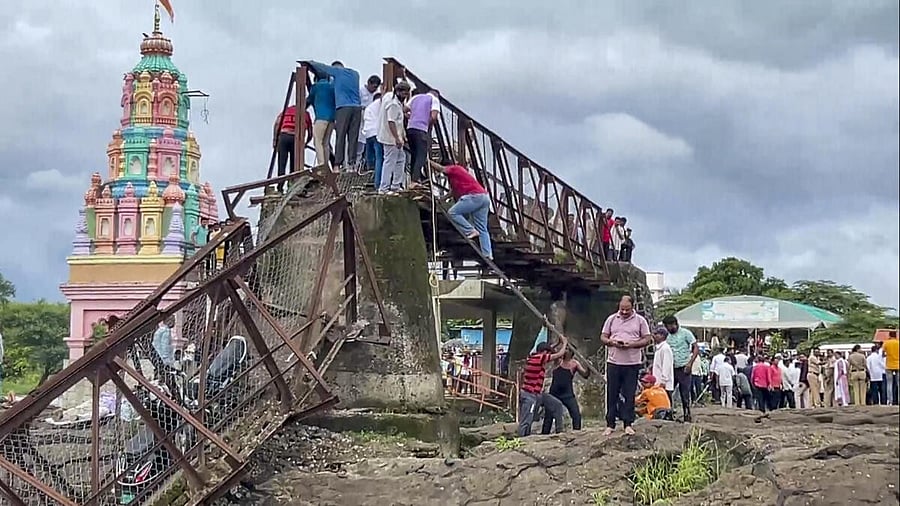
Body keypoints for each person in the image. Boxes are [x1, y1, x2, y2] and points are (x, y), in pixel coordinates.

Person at [600, 295, 652, 436]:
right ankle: (610, 424)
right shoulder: (611, 319)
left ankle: (628, 423)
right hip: (614, 362)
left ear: (632, 307)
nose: (623, 312)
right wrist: (611, 342)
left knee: (629, 394)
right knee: (612, 393)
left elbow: (647, 339)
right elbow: (603, 336)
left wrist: (632, 344)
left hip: (632, 363)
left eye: (627, 309)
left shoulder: (640, 321)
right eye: (622, 309)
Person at [428, 160, 493, 259]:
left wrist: (427, 161)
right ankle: (487, 254)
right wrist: (441, 199)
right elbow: (453, 192)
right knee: (482, 228)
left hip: (475, 196)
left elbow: (441, 168)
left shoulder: (454, 168)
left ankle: (470, 230)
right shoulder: (456, 177)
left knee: (452, 212)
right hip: (484, 197)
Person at [305, 61, 362, 172]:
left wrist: (309, 63)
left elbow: (322, 67)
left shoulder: (335, 73)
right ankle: (351, 164)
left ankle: (329, 166)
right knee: (351, 138)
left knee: (333, 138)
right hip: (354, 109)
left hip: (337, 111)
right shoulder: (355, 74)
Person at [517, 335, 568, 437]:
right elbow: (558, 354)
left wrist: (558, 343)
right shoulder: (539, 358)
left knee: (557, 405)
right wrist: (564, 343)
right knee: (527, 419)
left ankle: (560, 433)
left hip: (537, 394)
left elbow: (549, 350)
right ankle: (522, 438)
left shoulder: (535, 356)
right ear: (544, 352)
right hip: (529, 394)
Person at [376, 83, 411, 193]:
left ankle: (396, 185)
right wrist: (397, 138)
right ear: (398, 92)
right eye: (404, 94)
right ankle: (384, 188)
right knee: (389, 162)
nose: (405, 96)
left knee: (401, 159)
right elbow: (391, 122)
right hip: (390, 138)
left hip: (389, 136)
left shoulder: (389, 96)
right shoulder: (394, 104)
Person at [663, 316, 699, 422]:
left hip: (684, 367)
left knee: (685, 393)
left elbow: (695, 347)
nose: (668, 328)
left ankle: (687, 415)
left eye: (669, 326)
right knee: (668, 391)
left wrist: (690, 363)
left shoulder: (686, 333)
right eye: (666, 327)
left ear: (675, 324)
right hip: (671, 368)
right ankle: (669, 413)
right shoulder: (666, 336)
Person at [272, 104, 312, 191]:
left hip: (283, 136)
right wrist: (305, 143)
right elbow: (310, 133)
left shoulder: (286, 110)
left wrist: (275, 140)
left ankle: (280, 187)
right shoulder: (305, 113)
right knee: (294, 163)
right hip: (296, 138)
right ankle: (291, 185)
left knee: (282, 163)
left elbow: (277, 124)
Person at [406, 88, 440, 187]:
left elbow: (404, 109)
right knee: (421, 155)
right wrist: (427, 124)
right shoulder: (434, 99)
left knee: (414, 155)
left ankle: (412, 179)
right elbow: (434, 116)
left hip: (410, 128)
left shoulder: (416, 97)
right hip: (421, 130)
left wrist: (411, 118)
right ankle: (415, 180)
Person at [548, 349, 588, 431]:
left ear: (571, 352)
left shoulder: (574, 364)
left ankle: (576, 433)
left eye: (567, 349)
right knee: (549, 416)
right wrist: (562, 343)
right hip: (554, 393)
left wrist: (588, 368)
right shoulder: (558, 360)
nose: (565, 351)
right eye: (565, 349)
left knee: (576, 415)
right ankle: (545, 434)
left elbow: (585, 375)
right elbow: (551, 350)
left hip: (567, 394)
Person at [306, 73, 336, 168]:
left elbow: (308, 100)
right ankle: (326, 164)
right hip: (332, 119)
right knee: (326, 143)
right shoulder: (332, 87)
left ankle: (321, 165)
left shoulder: (316, 87)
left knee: (317, 142)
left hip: (321, 118)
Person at [361, 91, 384, 187]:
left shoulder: (369, 107)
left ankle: (370, 177)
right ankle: (377, 183)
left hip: (368, 134)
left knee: (370, 158)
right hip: (377, 133)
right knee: (380, 158)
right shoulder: (381, 104)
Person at [650, 327, 674, 404]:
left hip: (663, 383)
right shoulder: (659, 348)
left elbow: (666, 365)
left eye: (656, 334)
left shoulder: (665, 348)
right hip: (658, 381)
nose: (654, 336)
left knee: (666, 403)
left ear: (662, 336)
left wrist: (663, 381)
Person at [883, 332, 899, 405]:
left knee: (889, 383)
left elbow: (883, 354)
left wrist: (887, 355)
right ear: (896, 336)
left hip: (889, 365)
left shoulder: (886, 343)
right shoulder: (898, 343)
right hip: (898, 365)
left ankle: (890, 401)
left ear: (889, 335)